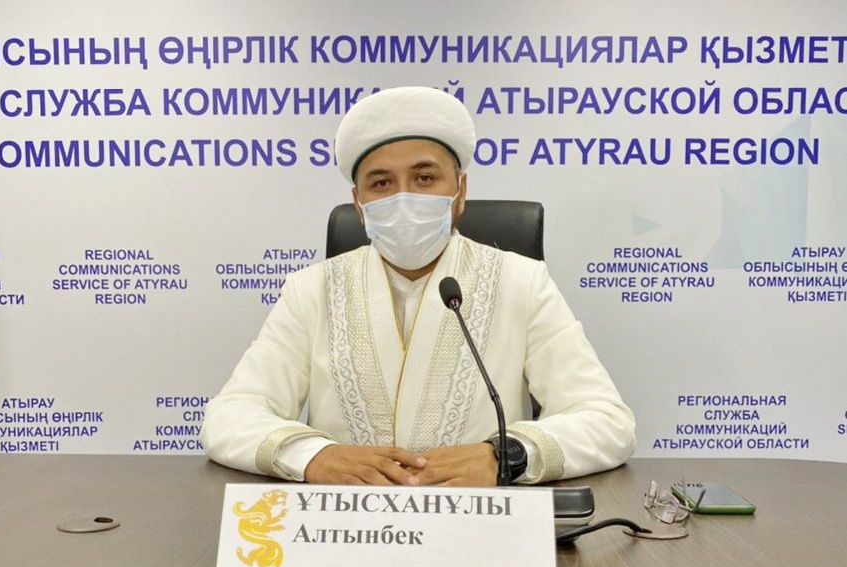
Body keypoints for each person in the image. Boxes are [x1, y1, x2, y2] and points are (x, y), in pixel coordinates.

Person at [201, 86, 635, 487]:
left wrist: (507, 456)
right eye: (381, 184)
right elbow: (229, 416)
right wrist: (314, 456)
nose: (403, 198)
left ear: (460, 191)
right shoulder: (311, 290)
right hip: (344, 527)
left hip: (481, 525)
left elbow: (607, 422)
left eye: (425, 178)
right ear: (359, 204)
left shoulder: (521, 281)